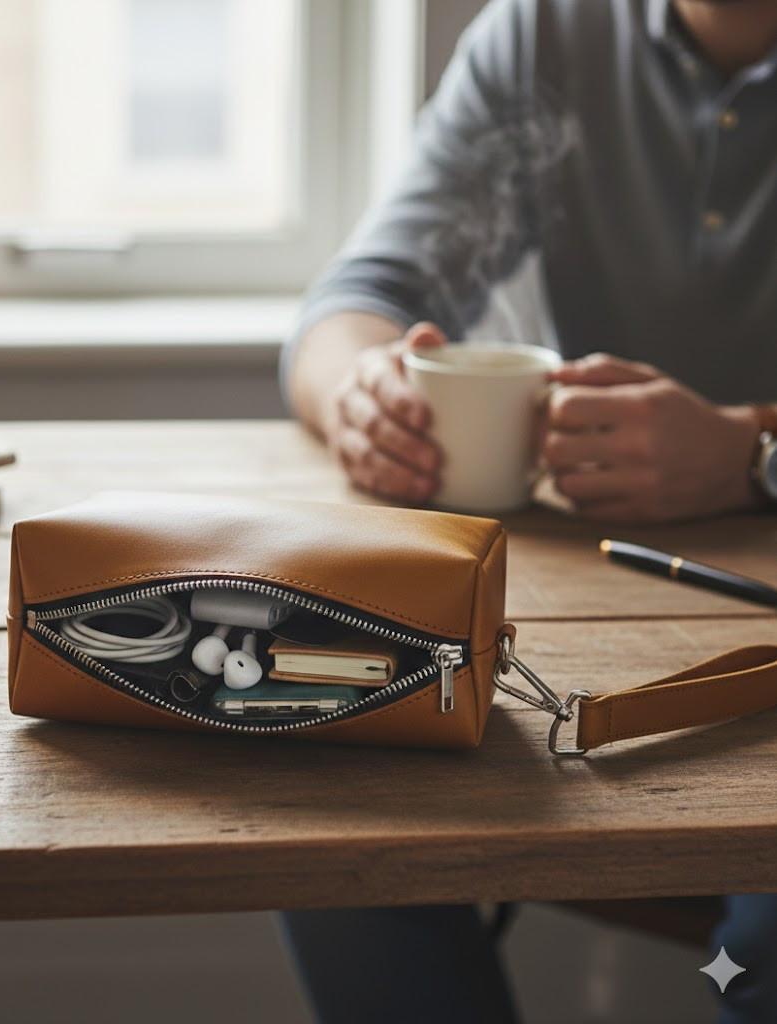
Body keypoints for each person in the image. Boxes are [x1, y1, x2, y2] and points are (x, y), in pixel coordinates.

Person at [281, 0, 777, 1020]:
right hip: (609, 620)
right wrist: (359, 395)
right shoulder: (546, 30)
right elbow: (362, 291)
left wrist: (751, 455)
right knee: (323, 823)